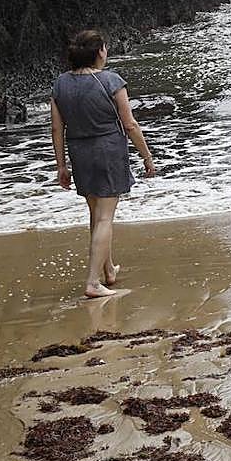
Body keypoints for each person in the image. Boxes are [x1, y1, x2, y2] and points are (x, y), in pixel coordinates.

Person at [51, 30, 155, 298]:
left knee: (96, 215)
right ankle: (93, 282)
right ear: (99, 52)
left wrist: (61, 165)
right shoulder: (111, 81)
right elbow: (130, 124)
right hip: (108, 151)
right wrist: (146, 155)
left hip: (79, 152)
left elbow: (56, 130)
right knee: (106, 217)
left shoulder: (60, 84)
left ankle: (108, 270)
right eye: (105, 48)